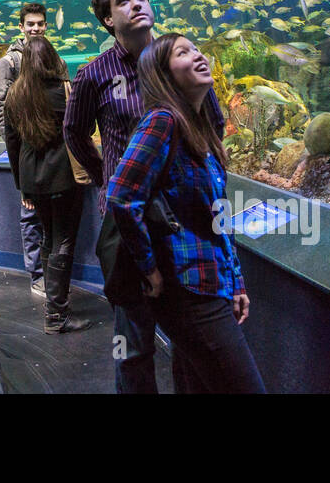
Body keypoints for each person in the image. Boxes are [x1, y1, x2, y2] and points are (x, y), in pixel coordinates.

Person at [62, 0, 227, 394]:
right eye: (123, 0)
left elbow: (214, 123)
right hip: (128, 219)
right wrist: (105, 179)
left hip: (185, 221)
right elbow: (73, 132)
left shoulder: (178, 60)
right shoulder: (94, 74)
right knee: (133, 341)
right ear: (107, 18)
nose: (135, 3)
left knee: (191, 336)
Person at [106, 34, 265, 392]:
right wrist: (149, 268)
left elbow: (218, 217)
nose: (197, 55)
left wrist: (235, 280)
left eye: (196, 48)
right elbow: (121, 195)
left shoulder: (202, 129)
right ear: (163, 74)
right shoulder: (163, 122)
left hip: (212, 285)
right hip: (189, 291)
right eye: (183, 52)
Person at [3, 36, 92, 334]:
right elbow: (84, 129)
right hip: (64, 179)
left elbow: (11, 144)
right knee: (64, 241)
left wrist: (22, 187)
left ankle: (51, 305)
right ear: (54, 58)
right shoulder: (65, 91)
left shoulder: (14, 95)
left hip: (33, 181)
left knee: (47, 239)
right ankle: (56, 315)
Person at [0, 2, 55, 298]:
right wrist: (13, 148)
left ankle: (53, 272)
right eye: (30, 24)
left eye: (40, 23)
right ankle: (37, 275)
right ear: (21, 27)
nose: (36, 28)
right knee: (29, 213)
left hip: (51, 150)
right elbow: (0, 107)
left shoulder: (50, 57)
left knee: (51, 212)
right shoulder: (10, 62)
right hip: (24, 151)